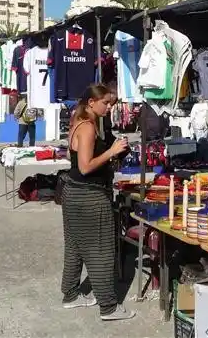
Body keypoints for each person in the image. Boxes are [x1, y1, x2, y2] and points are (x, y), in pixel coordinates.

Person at [60, 84, 134, 320]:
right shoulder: (89, 127)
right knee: (100, 250)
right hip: (89, 196)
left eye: (111, 103)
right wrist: (111, 152)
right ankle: (108, 307)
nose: (109, 107)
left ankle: (71, 293)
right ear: (92, 102)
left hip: (74, 194)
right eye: (106, 103)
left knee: (75, 247)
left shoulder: (78, 121)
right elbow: (84, 167)